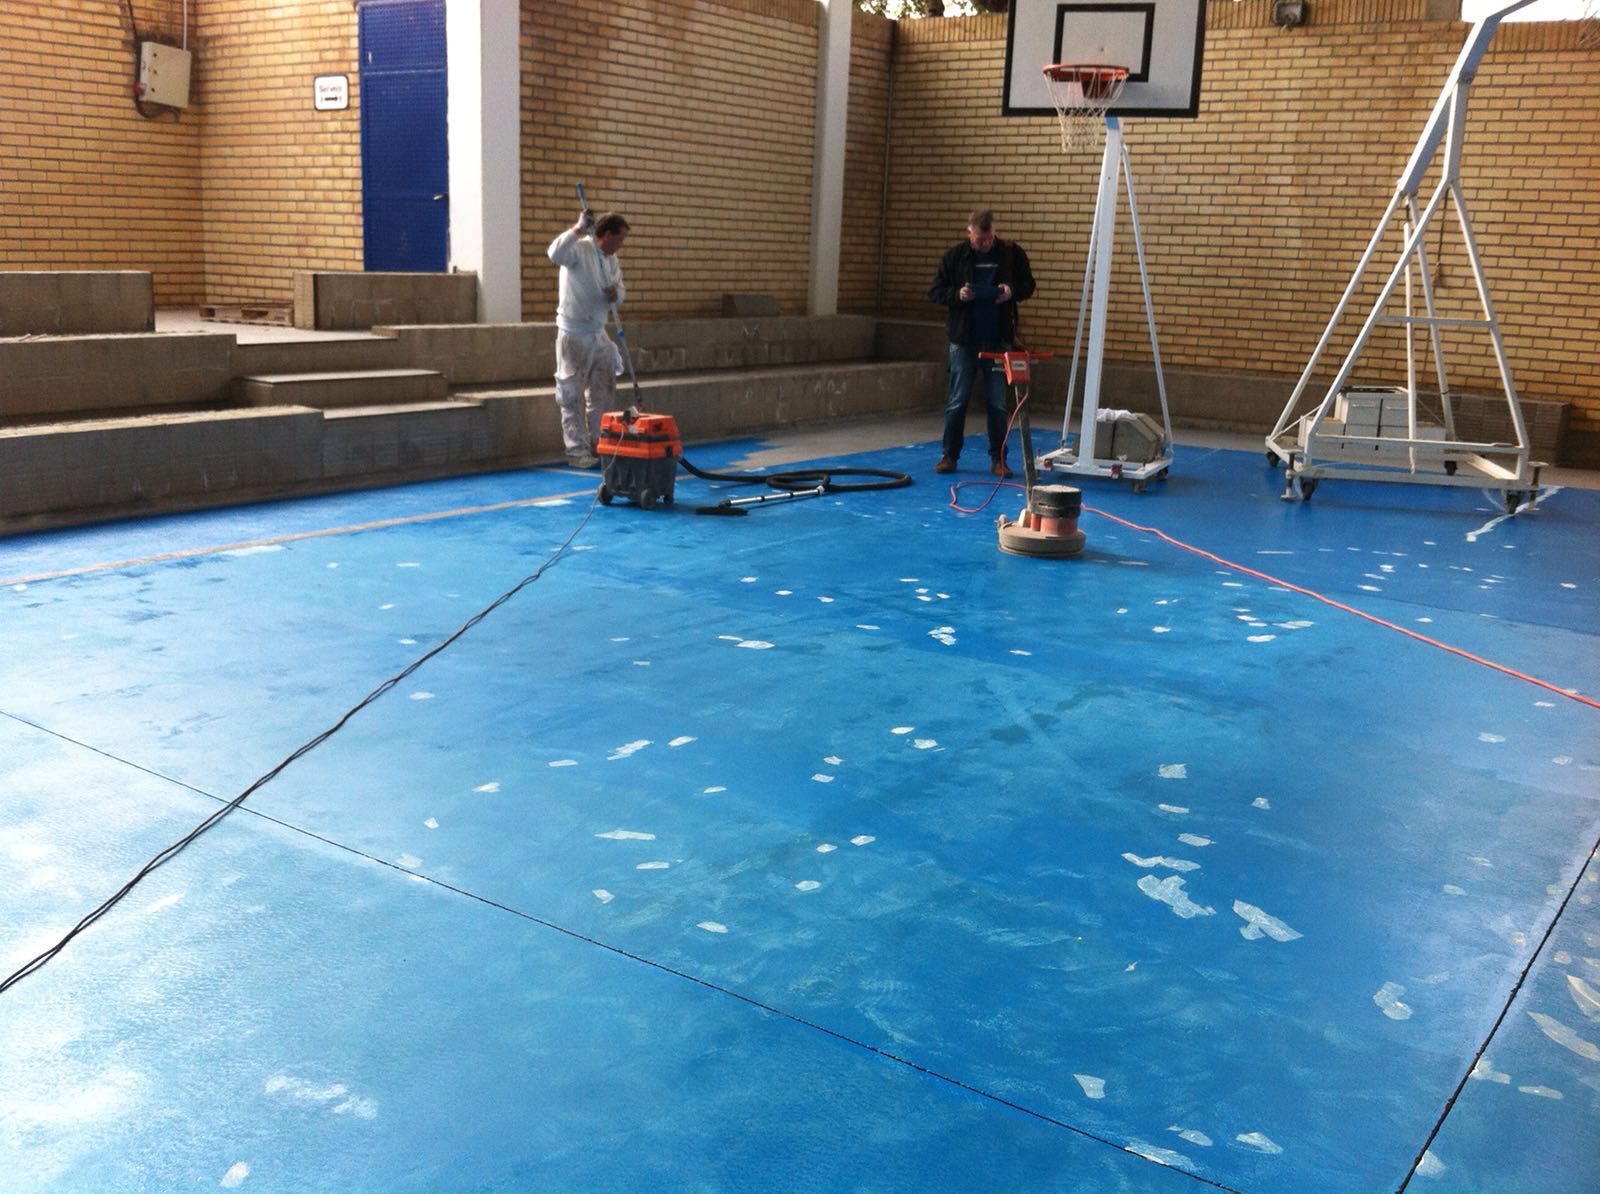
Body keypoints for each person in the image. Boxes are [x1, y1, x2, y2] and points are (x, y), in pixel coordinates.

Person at [927, 210, 1035, 477]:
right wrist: (957, 294)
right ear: (969, 234)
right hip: (964, 341)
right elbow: (935, 291)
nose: (985, 244)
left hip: (998, 341)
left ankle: (999, 459)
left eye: (989, 238)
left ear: (994, 233)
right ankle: (949, 455)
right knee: (957, 401)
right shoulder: (954, 257)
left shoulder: (1011, 254)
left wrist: (1010, 291)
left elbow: (1028, 285)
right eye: (979, 239)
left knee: (997, 404)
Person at [547, 209, 631, 468]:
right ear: (607, 235)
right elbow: (554, 254)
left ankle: (599, 442)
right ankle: (577, 452)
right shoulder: (579, 250)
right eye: (620, 238)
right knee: (571, 395)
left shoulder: (611, 261)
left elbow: (621, 290)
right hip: (574, 333)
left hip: (598, 332)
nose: (621, 244)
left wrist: (615, 294)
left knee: (603, 390)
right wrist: (578, 229)